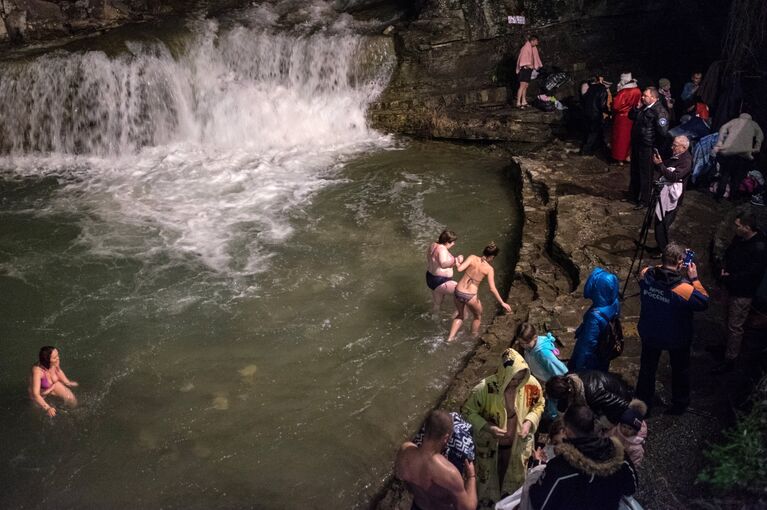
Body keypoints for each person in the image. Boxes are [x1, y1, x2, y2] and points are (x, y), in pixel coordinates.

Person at [462, 348, 544, 506]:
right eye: (513, 379)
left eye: (520, 378)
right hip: (490, 445)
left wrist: (529, 421)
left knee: (515, 478)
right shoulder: (484, 388)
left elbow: (539, 405)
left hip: (519, 445)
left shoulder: (531, 386)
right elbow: (467, 411)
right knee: (488, 479)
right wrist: (487, 427)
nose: (516, 383)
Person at [635, 242, 709, 415]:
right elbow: (704, 301)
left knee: (647, 369)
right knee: (680, 371)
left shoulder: (646, 274)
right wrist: (694, 279)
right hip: (676, 337)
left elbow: (654, 271)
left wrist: (671, 261)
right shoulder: (684, 289)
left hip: (650, 332)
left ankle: (642, 405)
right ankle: (679, 405)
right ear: (680, 262)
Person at [528, 405, 638, 510]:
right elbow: (631, 488)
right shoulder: (618, 455)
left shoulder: (559, 468)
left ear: (567, 430)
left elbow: (539, 504)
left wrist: (537, 466)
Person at [715, 212, 767, 372]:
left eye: (738, 225)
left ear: (747, 227)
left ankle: (731, 358)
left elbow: (752, 274)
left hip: (742, 293)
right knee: (725, 318)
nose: (735, 228)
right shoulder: (739, 238)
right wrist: (724, 268)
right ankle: (724, 346)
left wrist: (731, 277)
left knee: (735, 326)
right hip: (729, 285)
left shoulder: (759, 248)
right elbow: (729, 253)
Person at [395, 409, 478, 510]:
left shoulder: (405, 450)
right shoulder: (449, 472)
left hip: (418, 506)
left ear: (425, 429)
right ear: (446, 438)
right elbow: (468, 508)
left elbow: (401, 476)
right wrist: (471, 477)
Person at [447, 242, 511, 342]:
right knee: (477, 316)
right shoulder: (489, 269)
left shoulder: (472, 257)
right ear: (492, 257)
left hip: (458, 291)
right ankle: (473, 336)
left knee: (460, 314)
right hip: (470, 295)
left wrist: (457, 262)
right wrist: (502, 303)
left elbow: (459, 269)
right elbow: (492, 289)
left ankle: (450, 338)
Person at [568, 267, 621, 372]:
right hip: (605, 349)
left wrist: (577, 369)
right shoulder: (614, 302)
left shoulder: (595, 317)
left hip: (592, 360)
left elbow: (587, 345)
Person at [545, 371, 635, 430]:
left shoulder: (593, 394)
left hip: (620, 401)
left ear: (565, 395)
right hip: (608, 397)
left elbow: (622, 404)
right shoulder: (571, 379)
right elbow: (563, 406)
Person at [516, 323, 567, 421]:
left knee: (553, 401)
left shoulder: (543, 354)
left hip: (553, 382)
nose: (523, 346)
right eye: (520, 343)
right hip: (544, 378)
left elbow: (561, 371)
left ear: (535, 337)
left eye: (525, 343)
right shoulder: (530, 347)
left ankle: (554, 418)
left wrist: (556, 386)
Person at [650, 135, 693, 252]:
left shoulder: (686, 161)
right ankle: (660, 247)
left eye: (675, 145)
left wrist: (660, 165)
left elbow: (674, 176)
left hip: (673, 198)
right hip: (664, 193)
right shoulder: (677, 156)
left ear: (684, 147)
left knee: (662, 225)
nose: (672, 147)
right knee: (659, 223)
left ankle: (663, 251)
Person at [629, 87, 670, 206]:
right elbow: (631, 116)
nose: (642, 97)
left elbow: (663, 133)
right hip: (638, 144)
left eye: (645, 96)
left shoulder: (659, 111)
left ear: (653, 97)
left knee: (645, 174)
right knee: (635, 171)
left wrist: (655, 147)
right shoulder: (643, 107)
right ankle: (633, 196)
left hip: (647, 147)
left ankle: (644, 200)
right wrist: (636, 107)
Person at [712, 113, 764, 201]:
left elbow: (723, 128)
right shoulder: (753, 124)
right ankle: (732, 197)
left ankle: (719, 195)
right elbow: (761, 135)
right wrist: (757, 147)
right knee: (737, 178)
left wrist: (720, 142)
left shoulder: (734, 121)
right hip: (744, 155)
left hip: (730, 153)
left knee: (725, 174)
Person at [28, 345, 78, 417]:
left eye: (58, 355)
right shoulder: (37, 371)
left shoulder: (55, 361)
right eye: (55, 357)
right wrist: (47, 408)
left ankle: (74, 414)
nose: (58, 358)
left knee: (71, 399)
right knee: (39, 415)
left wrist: (66, 381)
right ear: (47, 360)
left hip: (52, 386)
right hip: (41, 395)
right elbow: (36, 394)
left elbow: (58, 371)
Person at [426, 230, 464, 314]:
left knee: (437, 303)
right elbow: (443, 264)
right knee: (462, 293)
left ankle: (434, 319)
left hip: (431, 278)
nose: (454, 244)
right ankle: (457, 317)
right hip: (440, 281)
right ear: (447, 242)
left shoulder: (433, 245)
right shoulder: (442, 249)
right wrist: (456, 260)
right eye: (452, 242)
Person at [611, 72, 641, 165]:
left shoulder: (623, 92)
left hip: (622, 118)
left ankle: (620, 159)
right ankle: (628, 156)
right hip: (633, 117)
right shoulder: (637, 90)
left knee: (620, 138)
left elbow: (616, 106)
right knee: (630, 138)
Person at [580, 75, 610, 156]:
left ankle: (596, 148)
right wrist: (608, 112)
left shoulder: (590, 88)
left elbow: (585, 99)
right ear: (598, 81)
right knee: (593, 133)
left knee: (592, 132)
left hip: (587, 113)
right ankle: (586, 151)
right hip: (595, 114)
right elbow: (602, 104)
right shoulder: (601, 89)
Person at [515, 35, 542, 109]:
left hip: (529, 69)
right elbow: (522, 59)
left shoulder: (533, 48)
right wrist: (528, 64)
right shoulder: (525, 48)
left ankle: (524, 101)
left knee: (526, 86)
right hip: (524, 69)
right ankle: (518, 103)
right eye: (536, 41)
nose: (537, 42)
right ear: (532, 41)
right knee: (522, 86)